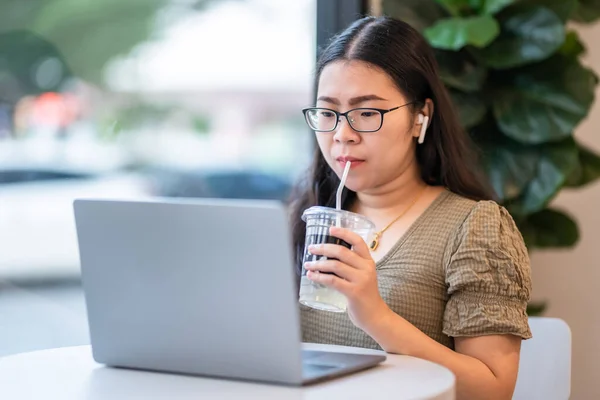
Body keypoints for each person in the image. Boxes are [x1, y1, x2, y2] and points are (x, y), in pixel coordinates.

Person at [289, 15, 532, 400]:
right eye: (329, 112)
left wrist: (376, 316)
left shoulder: (475, 227)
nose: (342, 134)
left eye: (367, 113)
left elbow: (493, 390)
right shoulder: (303, 216)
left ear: (421, 116)